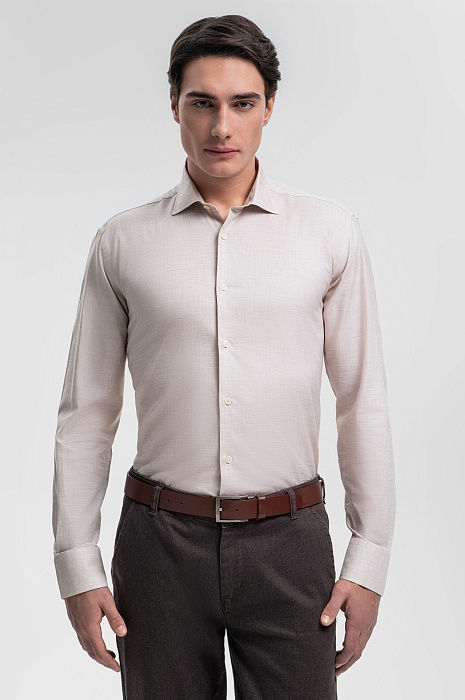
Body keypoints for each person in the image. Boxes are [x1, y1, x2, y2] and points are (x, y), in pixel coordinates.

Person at [52, 14, 395, 700]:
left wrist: (369, 560)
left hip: (291, 545)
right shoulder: (122, 243)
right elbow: (86, 413)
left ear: (269, 106)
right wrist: (77, 564)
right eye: (201, 102)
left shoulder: (328, 233)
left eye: (242, 103)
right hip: (158, 547)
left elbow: (362, 400)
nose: (221, 127)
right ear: (173, 105)